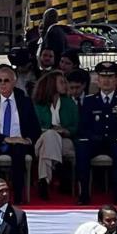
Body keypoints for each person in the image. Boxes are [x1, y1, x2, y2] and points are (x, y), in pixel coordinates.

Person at [76, 62, 117, 205]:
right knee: (82, 148)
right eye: (103, 76)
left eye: (110, 77)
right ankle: (84, 193)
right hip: (95, 141)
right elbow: (83, 126)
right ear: (97, 79)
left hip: (116, 141)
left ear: (116, 79)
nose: (106, 80)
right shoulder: (89, 101)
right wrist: (93, 137)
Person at [0, 65, 40, 203]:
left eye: (6, 80)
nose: (2, 84)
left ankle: (18, 196)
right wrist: (6, 139)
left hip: (19, 141)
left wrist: (28, 140)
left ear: (14, 82)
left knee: (19, 153)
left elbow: (35, 128)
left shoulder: (24, 102)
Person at [32, 71, 78, 200]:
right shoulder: (38, 106)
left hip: (65, 141)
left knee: (50, 143)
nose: (65, 85)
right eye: (62, 82)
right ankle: (59, 168)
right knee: (50, 135)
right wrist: (50, 130)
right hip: (42, 140)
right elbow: (33, 128)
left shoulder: (70, 104)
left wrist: (64, 131)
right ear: (51, 85)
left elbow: (76, 126)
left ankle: (44, 180)